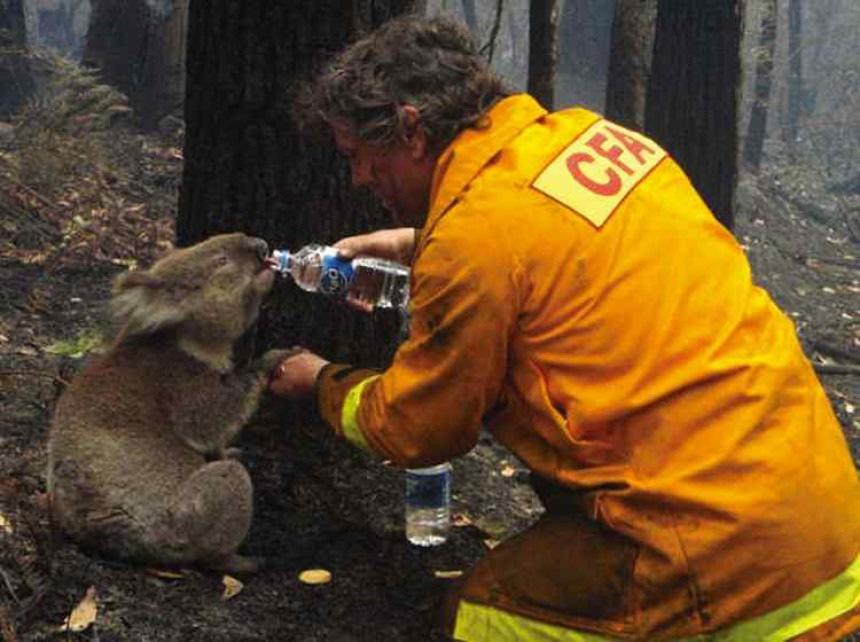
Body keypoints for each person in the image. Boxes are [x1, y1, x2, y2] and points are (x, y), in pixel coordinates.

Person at [270, 13, 860, 641]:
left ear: (411, 131)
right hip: (823, 520)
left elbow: (419, 427)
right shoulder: (591, 139)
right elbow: (551, 247)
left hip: (713, 554)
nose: (360, 180)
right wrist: (421, 244)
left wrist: (321, 382)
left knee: (480, 618)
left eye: (360, 157)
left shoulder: (476, 242)